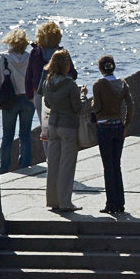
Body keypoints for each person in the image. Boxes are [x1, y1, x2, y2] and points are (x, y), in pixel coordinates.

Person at [91, 54, 134, 214]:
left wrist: (85, 100)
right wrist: (126, 124)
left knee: (108, 167)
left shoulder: (99, 85)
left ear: (101, 69)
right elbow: (130, 105)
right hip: (118, 127)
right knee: (117, 165)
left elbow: (97, 108)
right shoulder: (122, 84)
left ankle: (111, 204)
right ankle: (120, 203)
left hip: (104, 128)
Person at [42, 49, 85, 212]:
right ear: (66, 66)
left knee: (53, 165)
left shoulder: (48, 82)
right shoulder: (70, 84)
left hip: (53, 125)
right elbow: (78, 108)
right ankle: (65, 202)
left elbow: (47, 103)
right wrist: (82, 95)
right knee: (67, 166)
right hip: (68, 127)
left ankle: (53, 201)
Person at [0, 28, 34, 173]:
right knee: (25, 134)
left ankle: (4, 167)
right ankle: (25, 165)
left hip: (10, 100)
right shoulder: (31, 57)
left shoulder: (3, 58)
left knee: (7, 135)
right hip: (28, 99)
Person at [25, 21, 74, 130]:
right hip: (61, 93)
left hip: (40, 94)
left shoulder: (35, 53)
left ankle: (48, 147)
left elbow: (29, 76)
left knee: (45, 129)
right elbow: (73, 74)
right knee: (62, 127)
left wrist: (30, 96)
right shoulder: (63, 53)